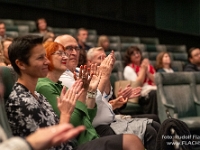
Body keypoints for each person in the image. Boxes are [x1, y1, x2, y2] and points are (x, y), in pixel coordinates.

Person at [36, 41, 144, 150]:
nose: (66, 57)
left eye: (65, 53)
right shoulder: (45, 86)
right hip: (79, 142)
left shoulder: (59, 85)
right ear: (47, 58)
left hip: (91, 135)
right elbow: (73, 123)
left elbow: (88, 116)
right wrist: (98, 81)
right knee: (132, 140)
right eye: (60, 53)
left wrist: (90, 89)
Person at [87, 47, 160, 150]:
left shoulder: (105, 77)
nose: (104, 61)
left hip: (115, 115)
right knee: (151, 128)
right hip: (107, 122)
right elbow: (94, 107)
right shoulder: (90, 78)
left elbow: (110, 103)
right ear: (90, 62)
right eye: (100, 58)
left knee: (155, 120)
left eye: (105, 57)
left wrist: (122, 99)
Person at [123, 46, 158, 114]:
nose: (137, 55)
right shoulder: (128, 69)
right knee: (153, 93)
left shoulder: (148, 66)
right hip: (137, 94)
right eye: (133, 54)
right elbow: (138, 84)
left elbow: (156, 81)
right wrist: (143, 69)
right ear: (129, 57)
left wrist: (147, 72)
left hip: (150, 89)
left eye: (138, 53)